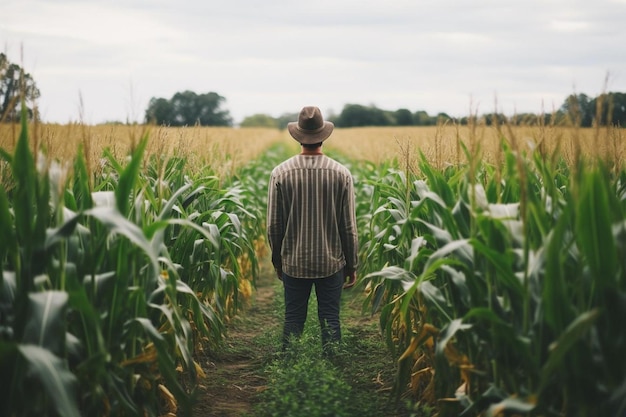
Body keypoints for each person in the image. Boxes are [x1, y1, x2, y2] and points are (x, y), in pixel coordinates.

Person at [266, 105, 358, 354]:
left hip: (294, 262)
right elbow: (348, 226)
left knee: (293, 318)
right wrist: (352, 265)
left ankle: (288, 361)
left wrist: (278, 261)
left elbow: (274, 225)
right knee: (330, 318)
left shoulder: (280, 173)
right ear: (323, 135)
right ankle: (333, 362)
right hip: (331, 263)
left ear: (298, 136)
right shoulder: (341, 173)